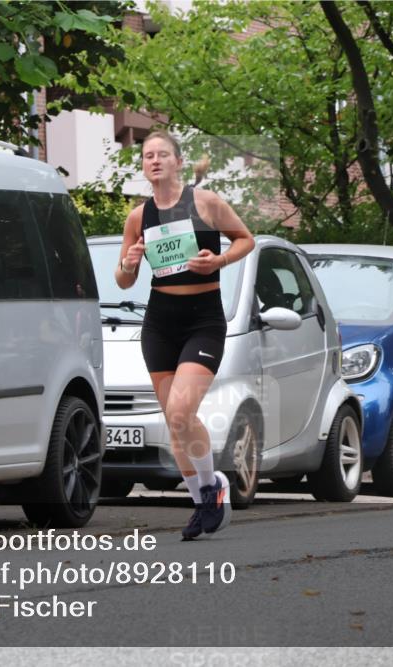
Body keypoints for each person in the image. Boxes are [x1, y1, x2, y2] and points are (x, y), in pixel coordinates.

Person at [115, 130, 255, 540]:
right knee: (176, 423)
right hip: (160, 323)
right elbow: (124, 282)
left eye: (162, 154)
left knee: (180, 411)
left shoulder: (205, 202)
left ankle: (213, 488)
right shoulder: (138, 217)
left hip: (203, 320)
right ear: (143, 165)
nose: (154, 161)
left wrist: (220, 260)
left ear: (178, 161)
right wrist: (128, 262)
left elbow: (246, 239)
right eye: (147, 156)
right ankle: (202, 499)